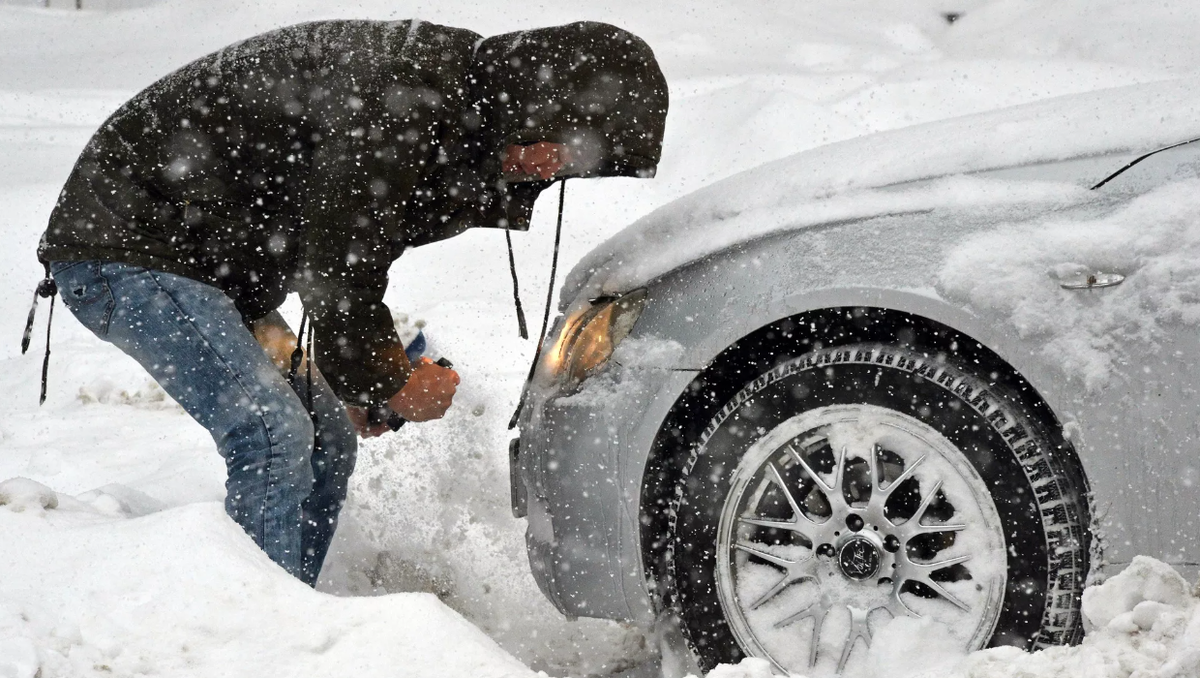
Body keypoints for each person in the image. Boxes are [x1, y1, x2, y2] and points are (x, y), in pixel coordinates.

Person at [30, 19, 668, 586]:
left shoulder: (457, 112)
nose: (560, 170)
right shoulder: (409, 105)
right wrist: (386, 379)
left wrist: (362, 385)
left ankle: (293, 606)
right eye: (575, 147)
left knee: (327, 439)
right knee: (271, 435)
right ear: (544, 103)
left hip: (205, 267)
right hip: (131, 249)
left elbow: (343, 250)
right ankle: (258, 637)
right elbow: (335, 268)